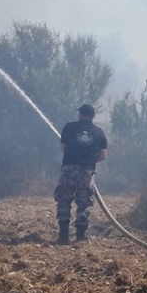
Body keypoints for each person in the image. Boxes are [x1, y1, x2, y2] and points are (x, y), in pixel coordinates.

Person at [54, 104, 108, 244]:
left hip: (68, 168)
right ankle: (80, 236)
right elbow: (103, 156)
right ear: (92, 116)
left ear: (80, 115)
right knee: (84, 201)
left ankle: (63, 235)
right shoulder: (99, 132)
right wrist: (89, 161)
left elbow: (63, 148)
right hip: (87, 171)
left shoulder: (69, 127)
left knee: (64, 199)